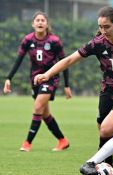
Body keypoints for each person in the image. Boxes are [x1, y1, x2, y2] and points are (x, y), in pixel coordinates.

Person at [34, 6, 113, 170]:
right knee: (103, 128)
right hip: (108, 91)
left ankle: (94, 164)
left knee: (106, 128)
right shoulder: (98, 43)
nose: (102, 31)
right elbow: (69, 60)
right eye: (100, 27)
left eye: (106, 27)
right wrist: (48, 74)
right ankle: (108, 165)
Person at [2, 11, 72, 152]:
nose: (40, 22)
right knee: (44, 114)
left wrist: (67, 85)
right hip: (35, 80)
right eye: (37, 20)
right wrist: (8, 78)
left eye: (43, 20)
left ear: (47, 24)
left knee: (37, 107)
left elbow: (64, 63)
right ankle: (62, 140)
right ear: (33, 24)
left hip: (50, 79)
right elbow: (18, 60)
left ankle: (27, 143)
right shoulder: (28, 40)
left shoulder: (54, 41)